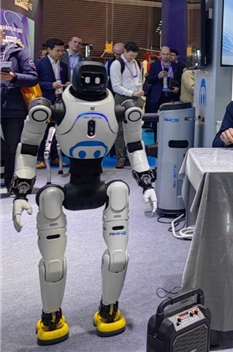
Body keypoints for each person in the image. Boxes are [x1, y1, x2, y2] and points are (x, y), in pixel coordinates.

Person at [10, 60, 157, 345]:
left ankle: (109, 309)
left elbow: (135, 146)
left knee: (118, 251)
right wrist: (20, 192)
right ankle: (51, 315)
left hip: (101, 184)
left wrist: (146, 183)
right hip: (68, 187)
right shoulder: (53, 107)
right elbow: (27, 148)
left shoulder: (120, 108)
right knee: (53, 254)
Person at [0, 30, 38, 190]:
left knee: (12, 148)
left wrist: (14, 77)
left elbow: (33, 77)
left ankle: (11, 184)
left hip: (12, 108)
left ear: (2, 35)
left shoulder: (17, 53)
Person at [35, 38, 70, 169]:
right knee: (42, 130)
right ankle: (40, 158)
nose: (60, 53)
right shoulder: (39, 63)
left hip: (60, 99)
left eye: (62, 51)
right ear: (49, 50)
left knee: (57, 129)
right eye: (57, 51)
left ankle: (55, 157)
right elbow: (34, 82)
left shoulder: (64, 65)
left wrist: (67, 84)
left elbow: (65, 80)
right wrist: (50, 85)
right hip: (44, 99)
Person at [110, 42, 145, 169]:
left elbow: (138, 79)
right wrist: (131, 93)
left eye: (134, 56)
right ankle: (120, 157)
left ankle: (134, 156)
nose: (132, 58)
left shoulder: (136, 63)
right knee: (120, 129)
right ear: (124, 51)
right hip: (122, 98)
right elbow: (115, 86)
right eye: (130, 55)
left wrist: (139, 92)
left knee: (135, 129)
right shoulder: (117, 64)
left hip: (137, 98)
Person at [144, 46, 182, 141]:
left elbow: (180, 81)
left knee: (171, 121)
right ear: (160, 54)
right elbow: (149, 79)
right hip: (158, 96)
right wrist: (158, 76)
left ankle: (169, 141)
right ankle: (157, 142)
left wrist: (178, 88)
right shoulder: (155, 65)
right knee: (157, 122)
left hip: (171, 96)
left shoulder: (177, 66)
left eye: (167, 54)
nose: (165, 56)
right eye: (163, 54)